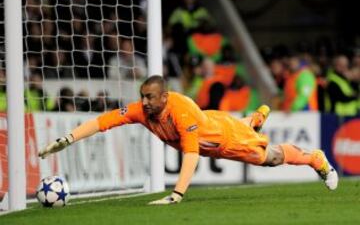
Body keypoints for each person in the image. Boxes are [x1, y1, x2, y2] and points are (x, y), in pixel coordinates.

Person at [38, 75, 338, 205]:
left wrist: (177, 194)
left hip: (225, 139)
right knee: (245, 128)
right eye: (142, 96)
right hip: (213, 123)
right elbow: (103, 121)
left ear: (164, 97)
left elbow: (191, 154)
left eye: (149, 97)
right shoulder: (142, 111)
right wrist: (68, 138)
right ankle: (255, 119)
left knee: (269, 158)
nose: (143, 102)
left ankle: (315, 158)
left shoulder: (180, 110)